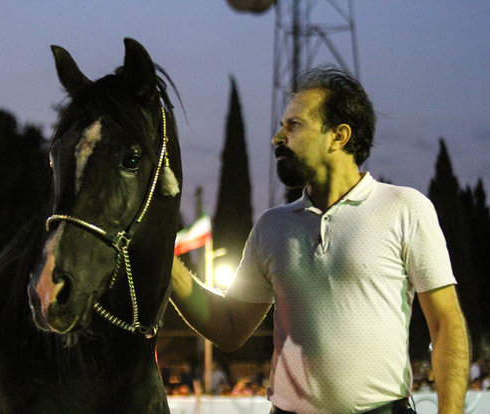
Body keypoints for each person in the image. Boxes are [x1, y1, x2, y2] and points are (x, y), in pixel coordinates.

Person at [170, 68, 470, 413]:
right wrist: (164, 264)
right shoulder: (272, 227)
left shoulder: (404, 208)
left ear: (339, 136)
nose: (277, 137)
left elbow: (446, 323)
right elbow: (230, 328)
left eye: (294, 125)